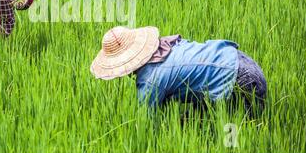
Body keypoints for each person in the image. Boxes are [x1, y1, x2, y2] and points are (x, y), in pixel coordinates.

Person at [90, 26, 267, 116]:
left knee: (230, 133)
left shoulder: (150, 81)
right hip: (241, 60)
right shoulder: (165, 45)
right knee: (186, 122)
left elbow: (146, 123)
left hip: (242, 82)